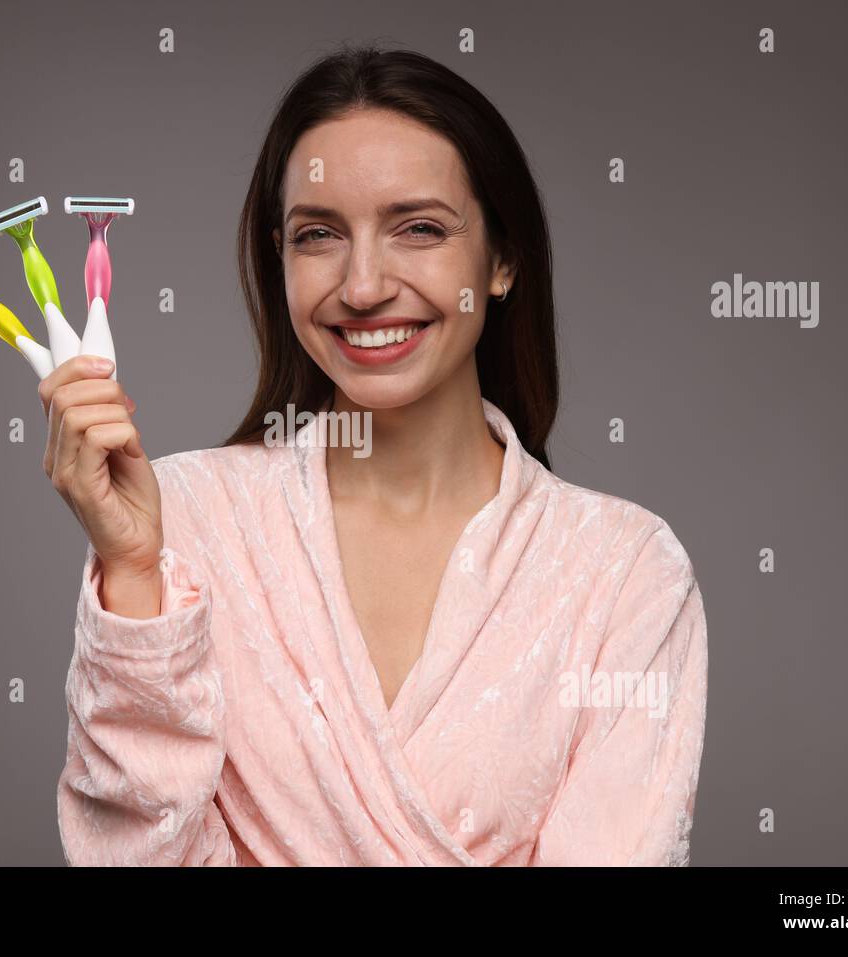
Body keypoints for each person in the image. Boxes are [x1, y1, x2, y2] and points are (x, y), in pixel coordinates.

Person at [41, 43, 708, 866]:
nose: (362, 286)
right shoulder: (184, 520)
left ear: (501, 259)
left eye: (418, 228)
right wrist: (136, 571)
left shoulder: (625, 572)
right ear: (278, 260)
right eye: (318, 235)